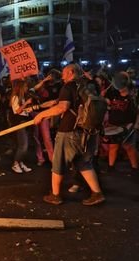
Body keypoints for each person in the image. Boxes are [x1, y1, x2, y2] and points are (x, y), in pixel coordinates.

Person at [34, 63, 105, 206]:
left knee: (58, 164)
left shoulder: (69, 87)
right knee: (84, 163)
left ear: (72, 73)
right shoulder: (90, 86)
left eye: (65, 73)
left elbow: (63, 107)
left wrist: (41, 115)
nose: (62, 76)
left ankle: (55, 195)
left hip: (69, 132)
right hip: (88, 132)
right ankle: (97, 193)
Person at [104, 71, 138, 173]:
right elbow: (108, 104)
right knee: (113, 147)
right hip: (114, 124)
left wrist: (135, 125)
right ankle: (111, 167)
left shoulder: (133, 96)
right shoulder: (114, 94)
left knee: (129, 147)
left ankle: (134, 167)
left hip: (128, 125)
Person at [8, 79, 32, 173]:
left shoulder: (22, 97)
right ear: (21, 87)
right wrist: (26, 104)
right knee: (23, 145)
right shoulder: (15, 97)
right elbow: (17, 111)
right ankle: (15, 163)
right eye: (25, 86)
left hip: (25, 121)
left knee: (23, 144)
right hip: (19, 122)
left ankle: (20, 162)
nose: (27, 88)